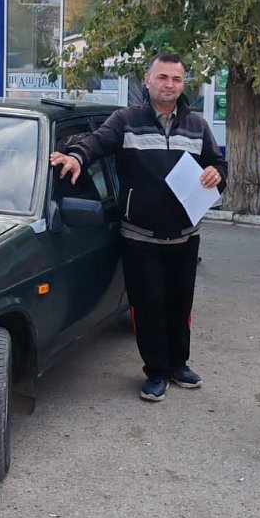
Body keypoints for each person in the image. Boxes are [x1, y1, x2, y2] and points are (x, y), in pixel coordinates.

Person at [50, 52, 227, 402]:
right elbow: (95, 144)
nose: (169, 85)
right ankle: (156, 371)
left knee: (180, 305)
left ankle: (178, 365)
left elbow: (219, 165)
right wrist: (76, 156)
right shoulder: (125, 120)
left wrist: (217, 173)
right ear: (147, 80)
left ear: (184, 84)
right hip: (140, 237)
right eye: (162, 77)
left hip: (185, 236)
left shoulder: (197, 125)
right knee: (148, 307)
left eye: (176, 79)